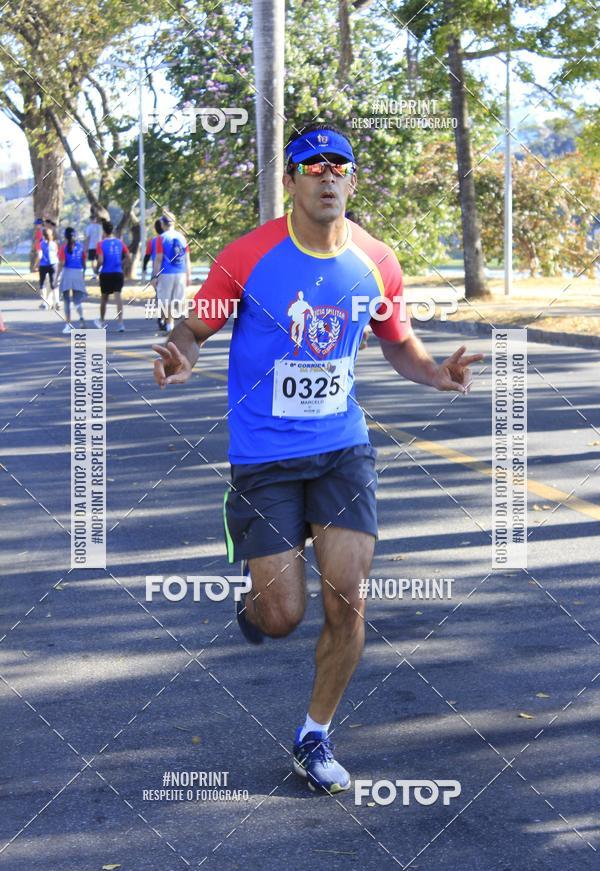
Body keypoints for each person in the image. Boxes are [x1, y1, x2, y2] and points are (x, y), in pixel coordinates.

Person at [152, 122, 483, 794]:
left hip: (341, 452)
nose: (329, 175)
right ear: (292, 181)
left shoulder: (377, 261)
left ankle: (314, 735)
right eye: (314, 165)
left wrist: (435, 374)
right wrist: (180, 358)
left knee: (348, 600)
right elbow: (195, 326)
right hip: (264, 458)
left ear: (352, 181)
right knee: (282, 617)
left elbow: (397, 342)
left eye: (340, 166)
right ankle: (256, 600)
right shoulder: (246, 257)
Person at [151, 212, 192, 333]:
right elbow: (187, 259)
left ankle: (170, 325)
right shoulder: (182, 237)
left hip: (166, 273)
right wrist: (189, 275)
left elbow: (158, 258)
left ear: (163, 224)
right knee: (178, 301)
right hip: (181, 272)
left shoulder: (161, 238)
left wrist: (154, 276)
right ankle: (176, 324)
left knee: (165, 300)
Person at [95, 220, 128, 331]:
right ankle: (120, 323)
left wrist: (96, 268)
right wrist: (121, 264)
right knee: (118, 297)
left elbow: (100, 259)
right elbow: (128, 257)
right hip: (118, 272)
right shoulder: (120, 242)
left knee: (104, 298)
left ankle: (102, 321)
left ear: (104, 231)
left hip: (106, 273)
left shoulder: (101, 244)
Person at [56, 227, 87, 332]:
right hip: (78, 273)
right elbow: (83, 261)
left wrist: (56, 277)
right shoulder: (80, 247)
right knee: (77, 300)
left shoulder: (63, 247)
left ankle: (68, 325)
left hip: (67, 273)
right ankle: (81, 317)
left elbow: (62, 263)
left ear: (65, 236)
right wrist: (83, 274)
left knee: (66, 301)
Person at [143, 218, 167, 332]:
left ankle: (162, 318)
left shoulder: (152, 241)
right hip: (168, 271)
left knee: (160, 295)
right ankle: (164, 318)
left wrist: (144, 268)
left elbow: (147, 256)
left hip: (156, 270)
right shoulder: (168, 239)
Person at [38, 225, 60, 310]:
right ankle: (57, 302)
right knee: (53, 284)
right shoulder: (54, 244)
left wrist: (36, 264)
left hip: (43, 265)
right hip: (53, 264)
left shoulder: (41, 244)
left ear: (43, 235)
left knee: (42, 284)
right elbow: (57, 253)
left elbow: (40, 255)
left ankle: (45, 303)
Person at [84, 212, 103, 279]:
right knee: (99, 260)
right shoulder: (100, 227)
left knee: (92, 260)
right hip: (99, 245)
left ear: (90, 220)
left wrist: (85, 247)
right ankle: (97, 272)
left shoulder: (89, 227)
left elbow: (88, 238)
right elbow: (102, 236)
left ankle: (95, 273)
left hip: (91, 246)